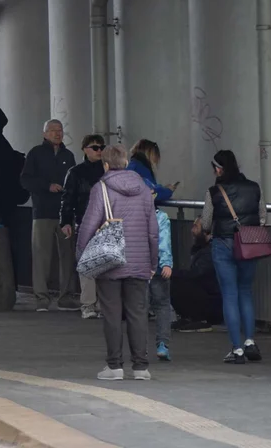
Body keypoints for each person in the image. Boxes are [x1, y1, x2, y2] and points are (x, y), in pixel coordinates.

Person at [76, 144, 157, 381]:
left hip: (111, 259)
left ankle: (115, 367)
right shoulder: (144, 189)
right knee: (138, 313)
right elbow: (153, 231)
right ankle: (141, 367)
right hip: (140, 260)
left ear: (106, 164)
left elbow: (89, 224)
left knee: (112, 313)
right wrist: (152, 261)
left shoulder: (101, 188)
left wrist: (82, 254)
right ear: (125, 162)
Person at [200, 149, 267, 365]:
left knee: (229, 294)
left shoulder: (213, 192)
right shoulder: (254, 187)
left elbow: (206, 223)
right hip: (249, 244)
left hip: (223, 244)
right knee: (245, 292)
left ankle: (236, 349)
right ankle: (249, 341)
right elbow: (263, 217)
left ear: (219, 169)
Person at [20, 119, 78, 312]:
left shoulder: (68, 156)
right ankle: (41, 298)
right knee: (41, 257)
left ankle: (66, 296)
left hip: (65, 215)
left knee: (67, 256)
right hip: (42, 212)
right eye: (53, 130)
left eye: (60, 130)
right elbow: (25, 180)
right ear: (45, 133)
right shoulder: (35, 153)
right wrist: (47, 186)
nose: (57, 133)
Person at [60, 134, 106, 318]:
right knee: (87, 264)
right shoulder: (75, 172)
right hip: (85, 222)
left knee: (105, 264)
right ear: (85, 150)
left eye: (102, 147)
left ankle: (102, 304)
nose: (99, 151)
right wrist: (65, 221)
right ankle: (88, 304)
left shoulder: (108, 171)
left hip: (106, 223)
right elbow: (67, 198)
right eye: (95, 148)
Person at [170, 220, 224, 331]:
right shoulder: (203, 249)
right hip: (209, 296)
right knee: (177, 281)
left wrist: (173, 273)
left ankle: (199, 319)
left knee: (177, 282)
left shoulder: (210, 251)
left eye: (196, 227)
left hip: (213, 301)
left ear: (206, 232)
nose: (192, 231)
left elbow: (196, 274)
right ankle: (190, 317)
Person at [151, 199, 174, 361]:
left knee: (137, 308)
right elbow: (164, 241)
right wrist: (166, 263)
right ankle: (162, 345)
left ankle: (138, 347)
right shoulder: (161, 217)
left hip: (138, 268)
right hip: (158, 268)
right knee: (162, 306)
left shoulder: (130, 214)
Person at [128, 139, 178, 203]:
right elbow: (152, 194)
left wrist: (163, 189)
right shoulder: (142, 169)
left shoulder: (131, 167)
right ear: (150, 154)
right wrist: (168, 191)